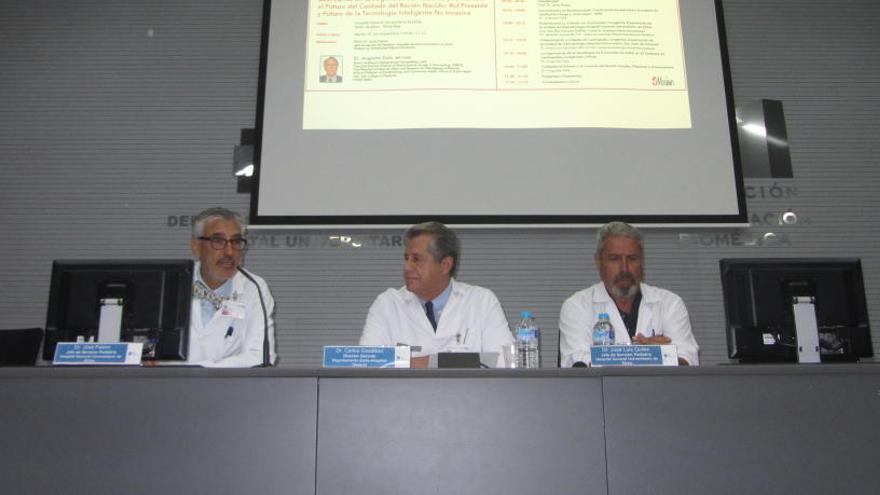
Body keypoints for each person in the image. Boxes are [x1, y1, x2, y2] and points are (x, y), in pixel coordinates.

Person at [360, 222, 513, 366]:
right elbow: (368, 363)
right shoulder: (387, 304)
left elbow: (505, 362)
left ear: (445, 265)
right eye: (406, 258)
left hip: (468, 394)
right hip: (404, 394)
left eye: (416, 259)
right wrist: (460, 362)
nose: (407, 267)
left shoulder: (482, 301)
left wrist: (423, 363)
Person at [559, 221, 699, 367]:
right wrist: (654, 355)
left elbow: (688, 362)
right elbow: (580, 366)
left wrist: (657, 356)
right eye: (615, 259)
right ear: (598, 262)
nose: (624, 268)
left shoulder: (670, 303)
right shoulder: (577, 306)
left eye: (632, 259)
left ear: (642, 262)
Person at [187, 207, 276, 367]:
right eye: (218, 241)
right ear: (196, 247)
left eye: (236, 242)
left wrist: (202, 371)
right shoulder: (174, 282)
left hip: (227, 388)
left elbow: (260, 357)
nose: (229, 251)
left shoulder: (254, 287)